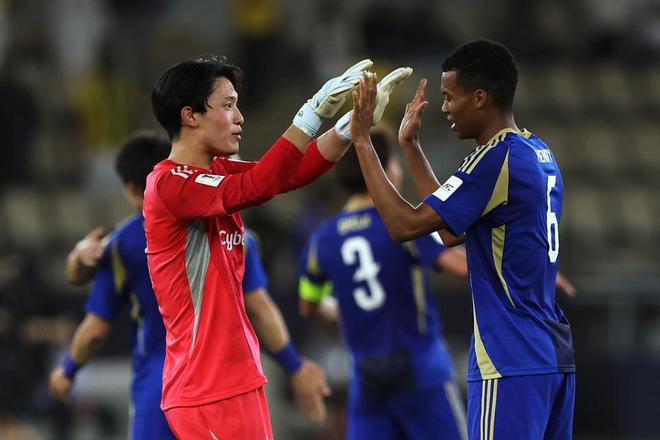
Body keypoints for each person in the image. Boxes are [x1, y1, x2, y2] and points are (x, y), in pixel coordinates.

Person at [143, 55, 411, 438]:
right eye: (228, 105)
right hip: (204, 386)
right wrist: (310, 114)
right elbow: (259, 185)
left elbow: (290, 174)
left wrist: (349, 128)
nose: (240, 118)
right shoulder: (170, 184)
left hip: (236, 378)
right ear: (190, 115)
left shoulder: (215, 172)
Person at [349, 40, 575, 439]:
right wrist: (411, 148)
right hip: (552, 354)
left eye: (449, 97)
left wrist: (363, 141)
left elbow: (404, 225)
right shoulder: (538, 151)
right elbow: (449, 230)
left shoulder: (494, 159)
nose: (444, 108)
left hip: (508, 357)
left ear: (480, 98)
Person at [49, 134, 330, 438]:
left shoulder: (124, 243)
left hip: (159, 387)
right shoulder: (236, 233)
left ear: (131, 189)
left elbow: (94, 328)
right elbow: (260, 308)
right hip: (220, 383)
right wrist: (294, 365)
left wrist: (67, 371)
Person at [298, 127, 469, 440]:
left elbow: (308, 304)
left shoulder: (322, 240)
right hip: (420, 370)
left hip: (367, 376)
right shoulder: (404, 227)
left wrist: (338, 312)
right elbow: (461, 267)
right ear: (385, 169)